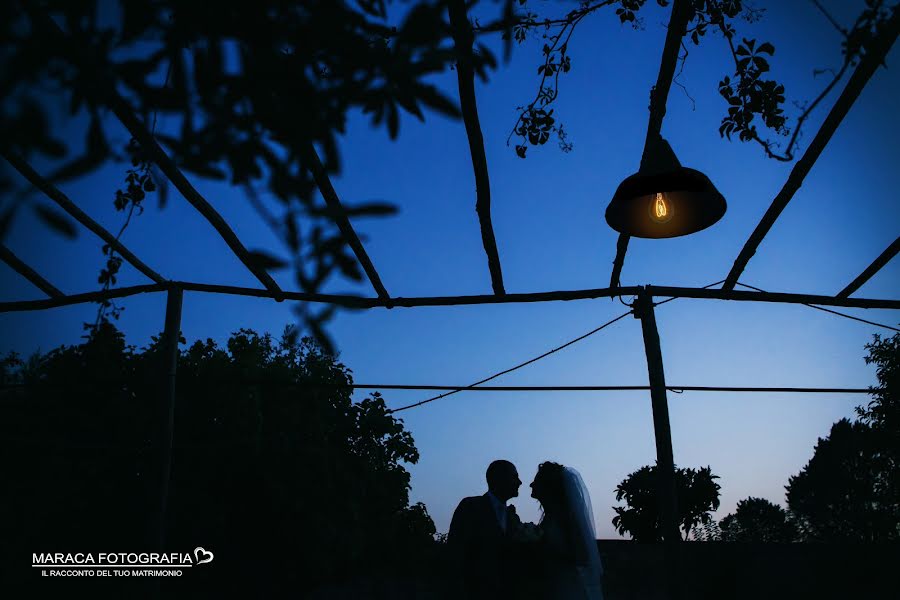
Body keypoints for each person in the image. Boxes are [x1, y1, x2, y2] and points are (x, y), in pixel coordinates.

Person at [447, 459, 522, 599]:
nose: (519, 482)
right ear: (498, 478)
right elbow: (455, 552)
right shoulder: (470, 506)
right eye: (514, 476)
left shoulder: (513, 518)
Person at [530, 461, 605, 599]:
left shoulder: (565, 518)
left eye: (536, 481)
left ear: (548, 486)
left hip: (566, 589)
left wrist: (548, 550)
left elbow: (582, 556)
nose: (531, 484)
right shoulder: (551, 516)